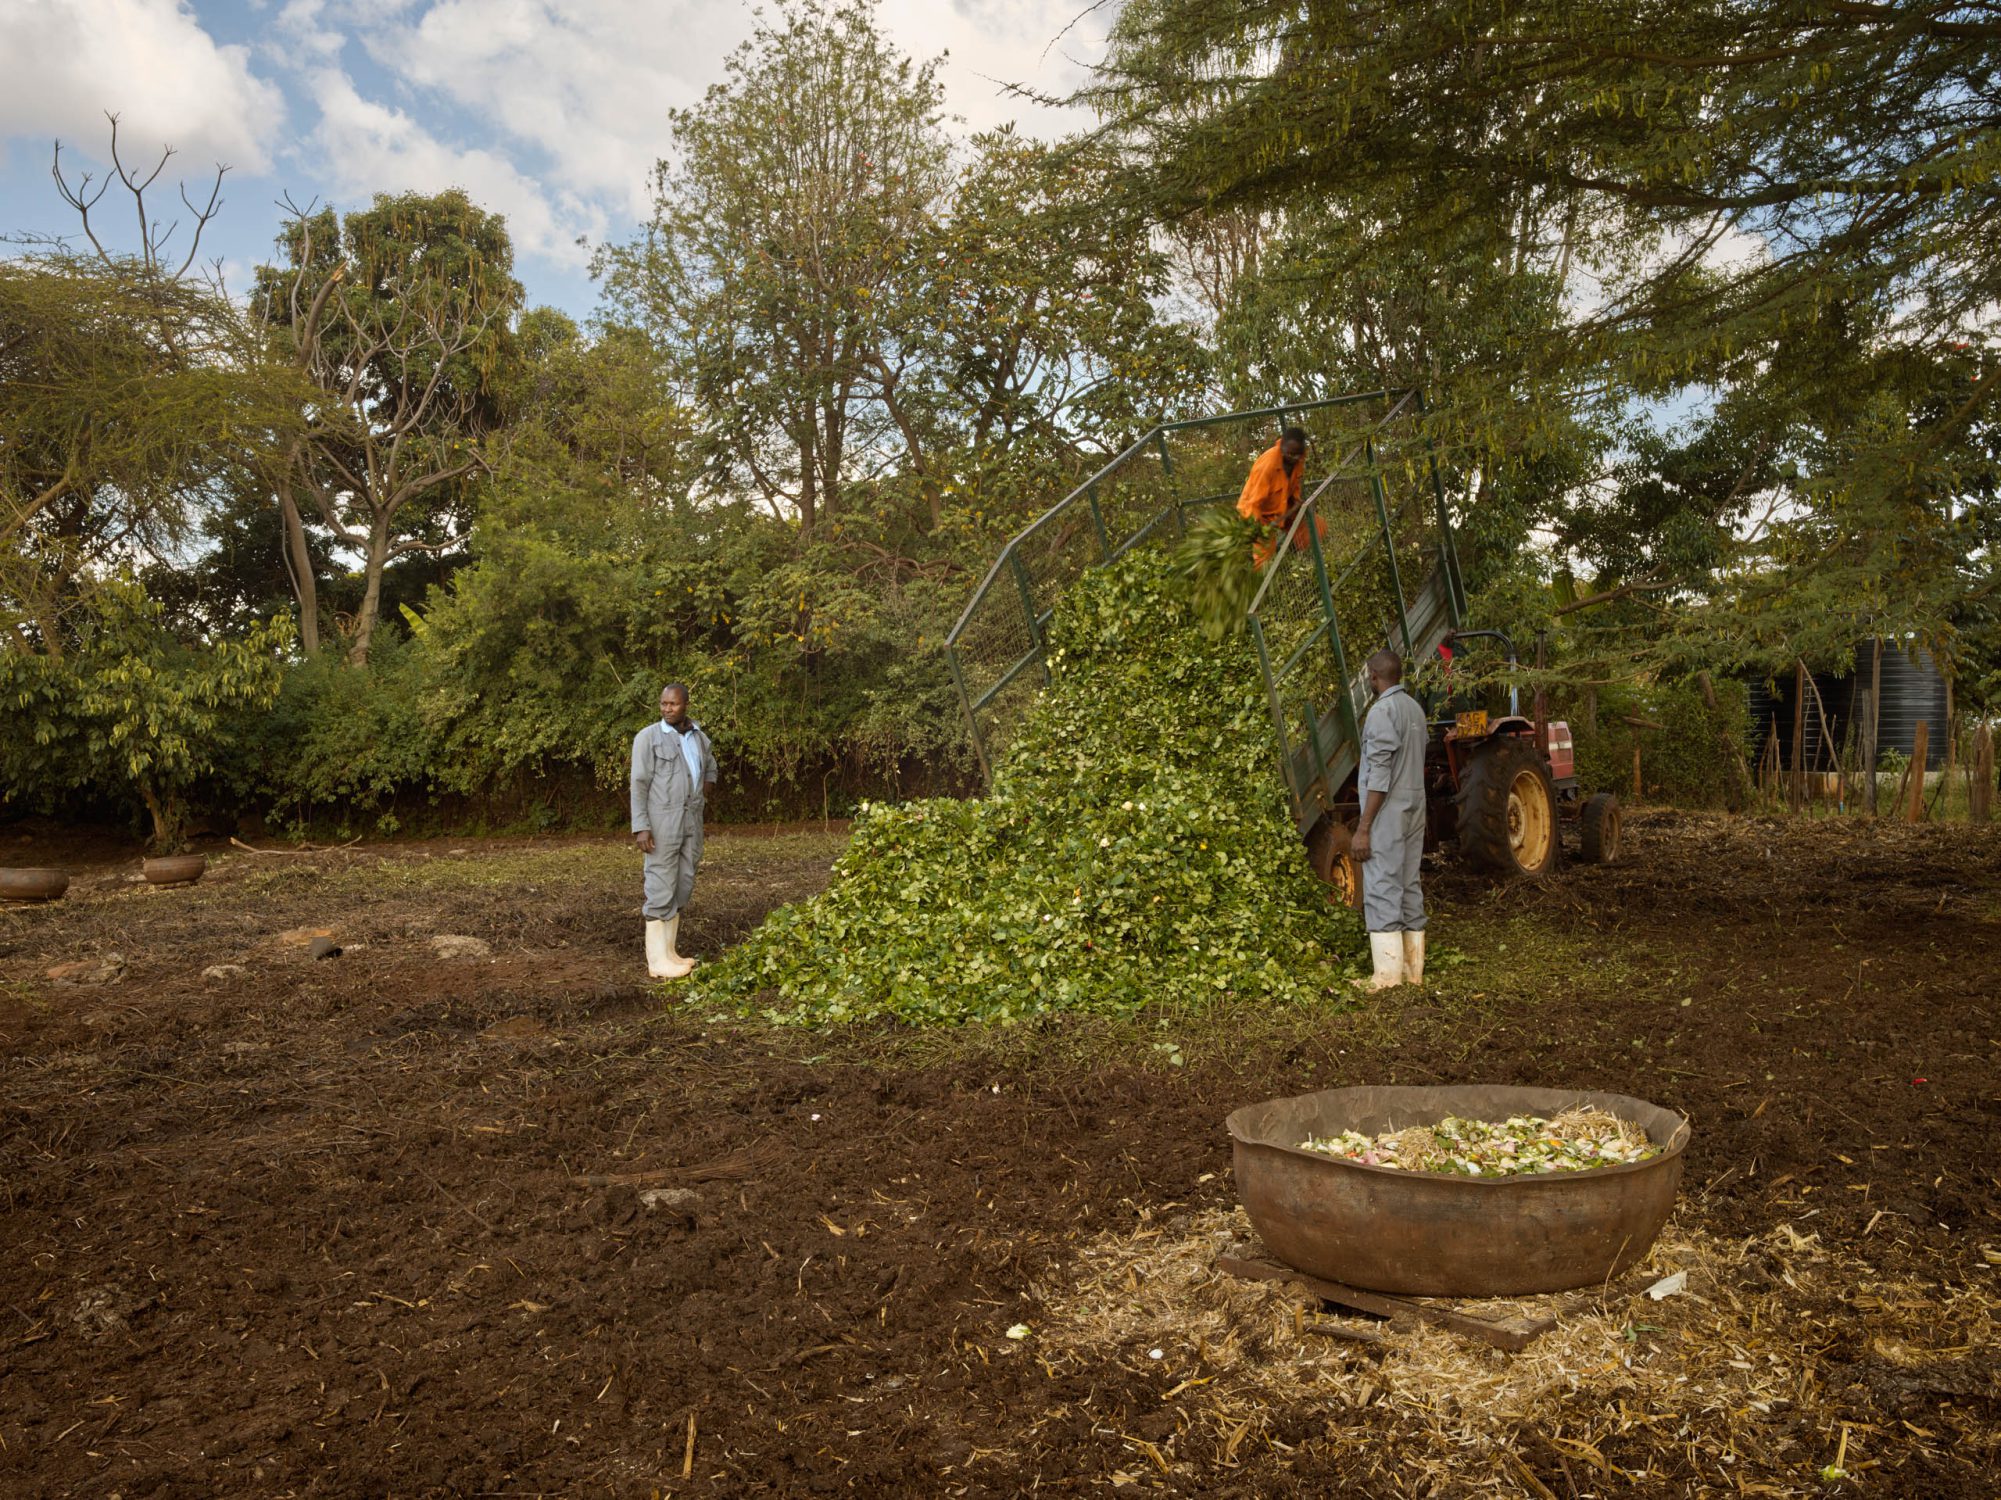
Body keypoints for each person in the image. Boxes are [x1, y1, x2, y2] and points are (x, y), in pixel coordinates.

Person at [1350, 649, 1427, 989]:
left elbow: (1379, 775)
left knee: (1382, 882)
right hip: (1415, 806)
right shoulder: (1415, 709)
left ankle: (1386, 977)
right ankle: (1413, 973)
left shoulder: (1382, 712)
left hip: (1387, 811)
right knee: (1409, 883)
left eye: (1368, 675)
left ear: (1374, 677)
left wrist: (1363, 828)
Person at [630, 683, 716, 980]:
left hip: (691, 818)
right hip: (661, 821)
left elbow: (710, 764)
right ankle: (657, 961)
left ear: (686, 705)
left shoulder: (698, 737)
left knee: (684, 881)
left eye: (673, 704)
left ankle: (670, 952)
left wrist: (708, 783)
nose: (667, 709)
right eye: (663, 703)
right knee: (660, 883)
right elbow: (638, 783)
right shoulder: (648, 738)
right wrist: (641, 826)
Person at [1236, 425, 1326, 568]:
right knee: (1264, 555)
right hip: (1258, 513)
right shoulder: (1268, 464)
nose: (1292, 457)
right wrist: (1255, 529)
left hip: (1283, 506)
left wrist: (1295, 502)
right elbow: (1253, 502)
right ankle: (1259, 582)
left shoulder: (1299, 459)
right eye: (1289, 453)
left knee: (1316, 526)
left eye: (1296, 454)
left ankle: (1297, 558)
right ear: (1282, 446)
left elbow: (1294, 484)